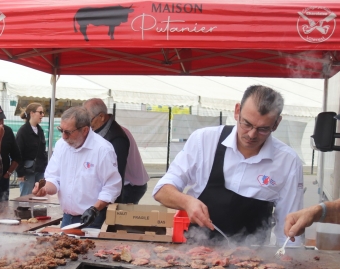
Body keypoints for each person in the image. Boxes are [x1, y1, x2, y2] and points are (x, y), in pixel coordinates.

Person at [153, 85, 304, 245]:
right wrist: (187, 202)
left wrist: (288, 262)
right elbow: (161, 190)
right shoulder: (204, 140)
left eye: (263, 129)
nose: (251, 135)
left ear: (276, 124)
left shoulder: (288, 162)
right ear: (237, 111)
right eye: (246, 124)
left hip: (252, 260)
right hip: (195, 251)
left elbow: (289, 230)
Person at [32, 106, 121, 228]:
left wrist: (95, 209)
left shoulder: (103, 149)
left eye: (68, 132)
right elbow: (54, 178)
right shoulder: (61, 145)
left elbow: (112, 186)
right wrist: (45, 188)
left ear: (84, 130)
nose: (63, 136)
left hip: (93, 218)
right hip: (67, 216)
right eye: (61, 130)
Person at [83, 98, 128, 202]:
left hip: (106, 200)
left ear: (101, 117)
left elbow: (116, 177)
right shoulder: (100, 131)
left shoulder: (116, 138)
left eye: (89, 119)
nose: (87, 124)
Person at [16, 102, 47, 196]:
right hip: (27, 171)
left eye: (43, 113)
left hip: (39, 169)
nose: (42, 115)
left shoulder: (40, 130)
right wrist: (20, 173)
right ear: (32, 113)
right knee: (26, 197)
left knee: (39, 196)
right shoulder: (23, 131)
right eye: (40, 112)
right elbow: (18, 153)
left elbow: (42, 151)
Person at [0, 103, 21, 202]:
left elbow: (17, 156)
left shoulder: (7, 131)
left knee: (2, 207)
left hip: (3, 179)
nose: (0, 123)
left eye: (2, 119)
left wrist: (8, 173)